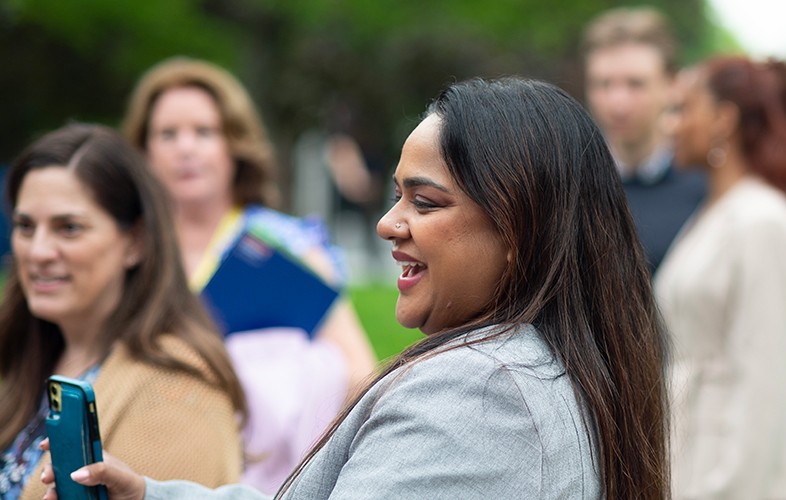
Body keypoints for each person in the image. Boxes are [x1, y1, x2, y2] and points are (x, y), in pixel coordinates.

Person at [41, 77, 670, 499]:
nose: (387, 223)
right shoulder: (523, 368)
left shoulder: (479, 397)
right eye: (397, 195)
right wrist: (151, 493)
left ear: (517, 228)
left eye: (424, 202)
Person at [119, 57, 378, 495]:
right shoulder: (124, 250)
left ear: (233, 144)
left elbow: (359, 370)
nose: (186, 148)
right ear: (143, 150)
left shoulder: (287, 244)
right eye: (167, 134)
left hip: (276, 471)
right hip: (147, 456)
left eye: (204, 132)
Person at [0, 124, 245, 499]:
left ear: (136, 241)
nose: (39, 252)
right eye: (25, 226)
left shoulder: (177, 389)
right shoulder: (20, 352)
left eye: (69, 228)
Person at [656, 56, 786, 499]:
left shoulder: (763, 223)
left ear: (723, 120)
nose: (670, 126)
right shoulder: (714, 215)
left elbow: (763, 382)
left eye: (683, 109)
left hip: (731, 474)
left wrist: (725, 489)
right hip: (689, 455)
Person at [581, 6, 707, 275]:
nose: (617, 103)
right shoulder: (571, 182)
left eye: (635, 84)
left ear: (673, 85)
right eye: (603, 84)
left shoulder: (706, 187)